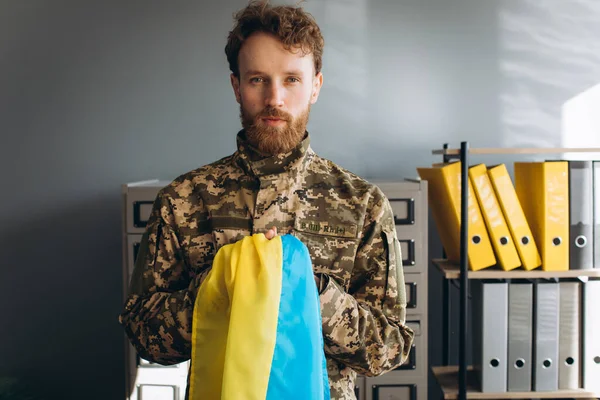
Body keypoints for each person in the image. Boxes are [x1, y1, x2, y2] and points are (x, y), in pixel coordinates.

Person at [118, 1, 415, 399]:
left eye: (291, 79)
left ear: (315, 86)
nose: (275, 98)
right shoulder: (184, 199)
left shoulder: (362, 205)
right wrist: (215, 291)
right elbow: (143, 334)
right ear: (237, 86)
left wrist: (312, 291)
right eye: (258, 79)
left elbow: (389, 348)